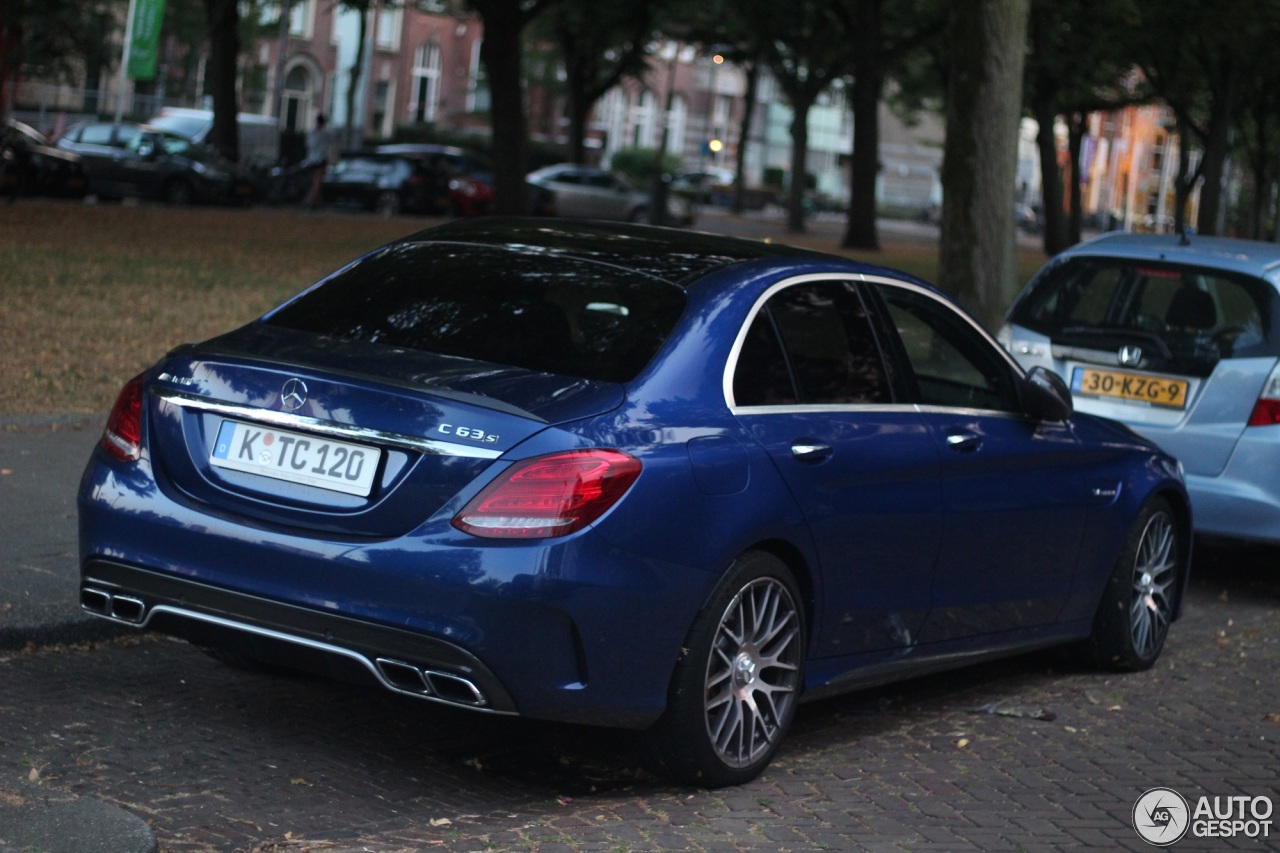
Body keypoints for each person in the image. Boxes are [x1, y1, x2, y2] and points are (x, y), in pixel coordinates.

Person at [305, 113, 332, 209]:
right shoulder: (325, 134)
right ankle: (313, 201)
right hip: (320, 160)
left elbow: (308, 145)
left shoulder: (311, 133)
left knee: (314, 181)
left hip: (312, 159)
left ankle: (314, 201)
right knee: (317, 181)